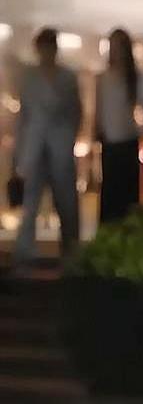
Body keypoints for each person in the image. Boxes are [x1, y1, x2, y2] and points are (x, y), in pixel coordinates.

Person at [13, 28, 81, 266]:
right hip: (35, 145)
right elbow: (24, 116)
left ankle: (71, 250)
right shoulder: (30, 77)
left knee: (66, 200)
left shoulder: (67, 78)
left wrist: (70, 136)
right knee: (31, 200)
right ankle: (25, 252)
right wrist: (19, 152)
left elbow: (76, 112)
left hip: (59, 143)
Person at [95, 28, 140, 222]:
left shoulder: (134, 78)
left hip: (128, 140)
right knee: (110, 192)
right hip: (110, 141)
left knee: (128, 193)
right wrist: (97, 131)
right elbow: (99, 108)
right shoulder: (103, 78)